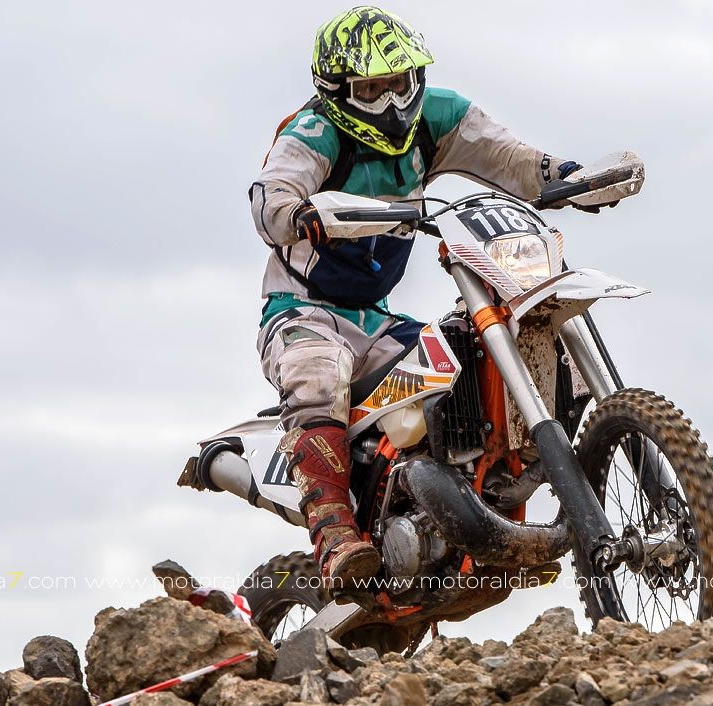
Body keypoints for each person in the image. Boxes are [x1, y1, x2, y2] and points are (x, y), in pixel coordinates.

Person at [249, 5, 582, 590]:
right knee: (319, 376)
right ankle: (336, 536)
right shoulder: (313, 133)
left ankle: (493, 503)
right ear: (336, 91)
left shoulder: (437, 117)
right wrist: (295, 213)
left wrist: (565, 176)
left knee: (468, 356)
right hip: (303, 313)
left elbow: (510, 158)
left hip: (376, 321)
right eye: (371, 89)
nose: (391, 102)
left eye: (399, 82)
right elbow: (271, 194)